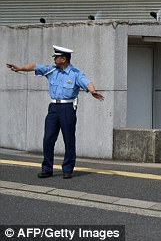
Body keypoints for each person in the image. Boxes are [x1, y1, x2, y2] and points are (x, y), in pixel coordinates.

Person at [6, 45, 105, 179]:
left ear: (63, 59)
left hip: (67, 108)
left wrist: (93, 91)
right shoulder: (52, 70)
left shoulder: (75, 73)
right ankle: (47, 168)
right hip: (53, 108)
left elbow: (87, 82)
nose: (54, 59)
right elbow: (35, 66)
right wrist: (20, 68)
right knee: (48, 139)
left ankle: (68, 168)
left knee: (69, 139)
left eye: (56, 57)